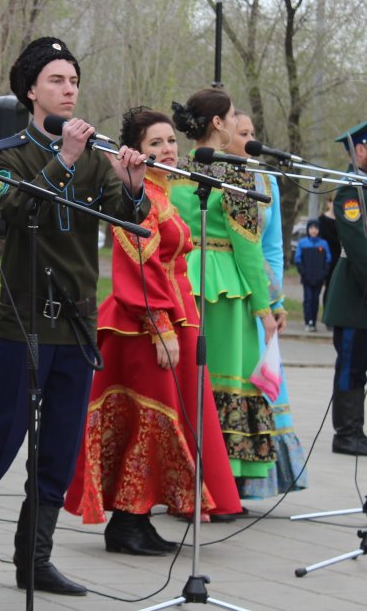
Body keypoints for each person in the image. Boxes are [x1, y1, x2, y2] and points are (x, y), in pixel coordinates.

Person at [0, 37, 149, 597]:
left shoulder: (95, 155)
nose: (69, 89)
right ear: (31, 90)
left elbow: (126, 219)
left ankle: (35, 560)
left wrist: (131, 185)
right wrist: (64, 161)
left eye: (74, 81)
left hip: (75, 328)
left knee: (56, 451)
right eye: (57, 80)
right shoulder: (7, 150)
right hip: (23, 323)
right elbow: (8, 213)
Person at [63, 107, 240, 554]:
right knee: (149, 420)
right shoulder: (138, 195)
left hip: (176, 317)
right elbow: (136, 261)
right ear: (135, 152)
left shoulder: (164, 194)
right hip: (145, 324)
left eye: (170, 142)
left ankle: (136, 517)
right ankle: (127, 521)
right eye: (155, 144)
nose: (167, 150)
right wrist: (159, 324)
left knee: (163, 419)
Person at [169, 89, 278, 485]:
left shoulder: (176, 168)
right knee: (228, 376)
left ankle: (188, 469)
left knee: (194, 378)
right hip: (226, 285)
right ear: (217, 124)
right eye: (231, 117)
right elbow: (248, 247)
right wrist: (264, 308)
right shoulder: (235, 172)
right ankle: (222, 476)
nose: (235, 124)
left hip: (185, 276)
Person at [225, 112, 308, 498]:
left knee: (265, 384)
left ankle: (259, 478)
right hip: (225, 291)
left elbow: (272, 249)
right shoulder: (216, 177)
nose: (251, 140)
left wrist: (276, 301)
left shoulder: (267, 179)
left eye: (254, 133)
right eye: (243, 133)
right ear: (222, 135)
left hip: (261, 296)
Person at [322, 114, 367, 456]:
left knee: (361, 365)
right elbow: (356, 246)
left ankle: (356, 431)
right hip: (354, 295)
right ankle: (346, 434)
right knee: (350, 364)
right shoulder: (351, 191)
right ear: (362, 150)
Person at [294, 219, 331, 332]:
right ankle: (308, 321)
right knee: (308, 299)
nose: (314, 230)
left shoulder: (323, 244)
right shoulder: (302, 243)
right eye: (311, 228)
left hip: (319, 279)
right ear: (308, 229)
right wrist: (303, 273)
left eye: (316, 228)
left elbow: (328, 260)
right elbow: (297, 259)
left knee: (315, 300)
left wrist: (324, 274)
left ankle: (313, 322)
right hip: (307, 278)